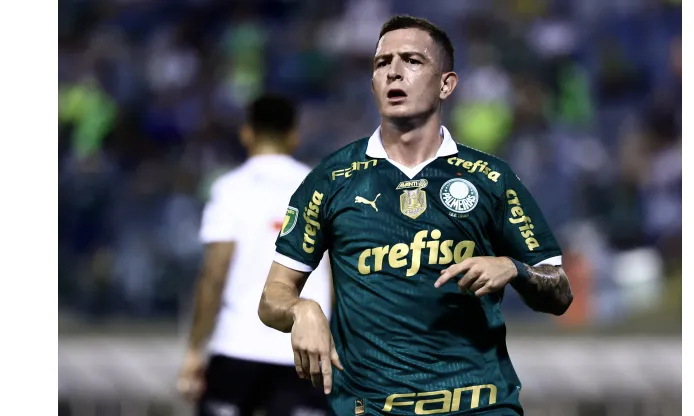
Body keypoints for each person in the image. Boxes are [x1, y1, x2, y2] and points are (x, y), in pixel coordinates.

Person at [258, 15, 574, 416]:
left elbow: (560, 291)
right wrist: (302, 309)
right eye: (381, 63)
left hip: (479, 405)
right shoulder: (330, 180)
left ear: (446, 84)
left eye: (412, 60)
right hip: (370, 408)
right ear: (372, 82)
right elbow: (273, 296)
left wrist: (515, 268)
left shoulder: (491, 179)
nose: (393, 71)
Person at [177, 94, 333, 416]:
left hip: (237, 346)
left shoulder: (230, 189)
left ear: (246, 133)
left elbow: (214, 273)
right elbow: (335, 275)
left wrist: (195, 348)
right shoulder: (320, 187)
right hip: (302, 352)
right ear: (294, 135)